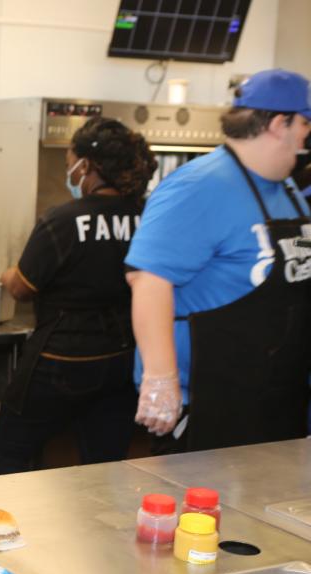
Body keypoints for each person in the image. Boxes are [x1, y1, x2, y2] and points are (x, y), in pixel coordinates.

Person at [126, 68, 311, 453]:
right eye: (305, 123)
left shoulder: (287, 187)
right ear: (280, 123)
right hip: (212, 402)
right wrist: (161, 380)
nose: (306, 136)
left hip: (276, 392)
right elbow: (148, 281)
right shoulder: (199, 186)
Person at [0, 118, 156, 474]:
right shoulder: (148, 216)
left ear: (87, 167)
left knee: (7, 447)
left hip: (61, 360)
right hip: (123, 360)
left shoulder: (64, 220)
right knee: (105, 465)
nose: (70, 176)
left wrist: (5, 276)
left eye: (70, 167)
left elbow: (22, 288)